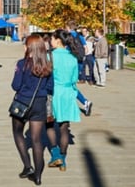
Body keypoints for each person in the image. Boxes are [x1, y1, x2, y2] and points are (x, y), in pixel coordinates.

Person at [10, 35, 54, 185]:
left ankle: (27, 166)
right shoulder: (47, 65)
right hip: (40, 104)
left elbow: (15, 86)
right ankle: (38, 176)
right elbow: (50, 87)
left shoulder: (22, 64)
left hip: (22, 102)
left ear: (28, 48)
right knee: (36, 140)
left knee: (17, 133)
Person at [47, 29, 81, 172]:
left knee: (49, 125)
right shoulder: (73, 57)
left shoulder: (50, 56)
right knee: (64, 127)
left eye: (52, 39)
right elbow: (75, 79)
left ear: (58, 40)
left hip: (54, 93)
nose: (50, 41)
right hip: (68, 93)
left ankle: (55, 154)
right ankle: (63, 159)